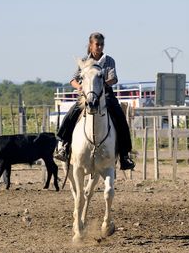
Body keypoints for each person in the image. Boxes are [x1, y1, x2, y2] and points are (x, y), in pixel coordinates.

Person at [54, 32, 135, 170]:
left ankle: (124, 155)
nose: (100, 47)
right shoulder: (84, 61)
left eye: (102, 44)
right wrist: (79, 86)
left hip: (105, 94)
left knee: (120, 118)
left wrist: (101, 84)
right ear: (91, 46)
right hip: (87, 95)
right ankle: (64, 145)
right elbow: (73, 79)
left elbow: (114, 78)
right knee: (71, 114)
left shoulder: (109, 60)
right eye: (97, 44)